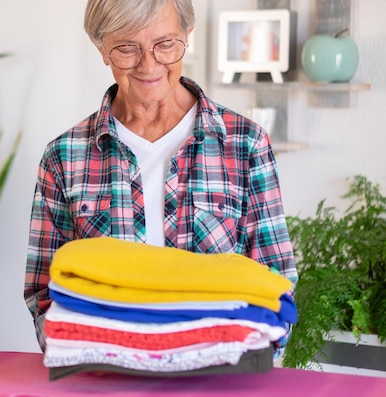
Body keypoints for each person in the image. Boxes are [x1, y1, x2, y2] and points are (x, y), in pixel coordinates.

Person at [24, 0, 298, 353]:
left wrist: (247, 355)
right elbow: (44, 296)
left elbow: (276, 283)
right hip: (105, 377)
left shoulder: (245, 144)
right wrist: (87, 350)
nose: (149, 64)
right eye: (127, 48)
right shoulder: (63, 157)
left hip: (218, 375)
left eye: (165, 44)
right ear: (101, 47)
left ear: (188, 35)